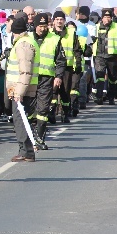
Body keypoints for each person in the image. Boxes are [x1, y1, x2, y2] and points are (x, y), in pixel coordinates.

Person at [5, 16, 39, 161]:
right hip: (20, 88)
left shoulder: (23, 45)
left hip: (21, 89)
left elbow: (25, 71)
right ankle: (26, 149)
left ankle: (26, 151)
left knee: (20, 120)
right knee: (21, 119)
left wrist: (19, 92)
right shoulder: (26, 41)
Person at [32, 13, 66, 150]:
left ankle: (39, 138)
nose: (42, 29)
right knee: (29, 109)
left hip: (46, 79)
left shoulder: (55, 39)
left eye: (45, 26)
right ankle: (29, 136)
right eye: (40, 26)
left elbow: (60, 60)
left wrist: (58, 76)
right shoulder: (28, 38)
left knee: (43, 109)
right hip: (30, 78)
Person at [50, 11, 81, 123]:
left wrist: (77, 63)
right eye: (57, 19)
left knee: (65, 92)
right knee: (53, 91)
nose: (59, 21)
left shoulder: (71, 33)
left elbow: (77, 50)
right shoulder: (49, 33)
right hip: (52, 67)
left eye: (61, 19)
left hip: (67, 67)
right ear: (53, 21)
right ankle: (51, 114)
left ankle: (65, 113)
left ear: (64, 21)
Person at [93, 9, 117, 105]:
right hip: (99, 55)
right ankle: (99, 97)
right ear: (102, 18)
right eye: (105, 17)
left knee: (112, 78)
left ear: (111, 18)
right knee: (100, 76)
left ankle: (111, 97)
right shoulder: (96, 27)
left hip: (112, 55)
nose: (107, 19)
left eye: (109, 17)